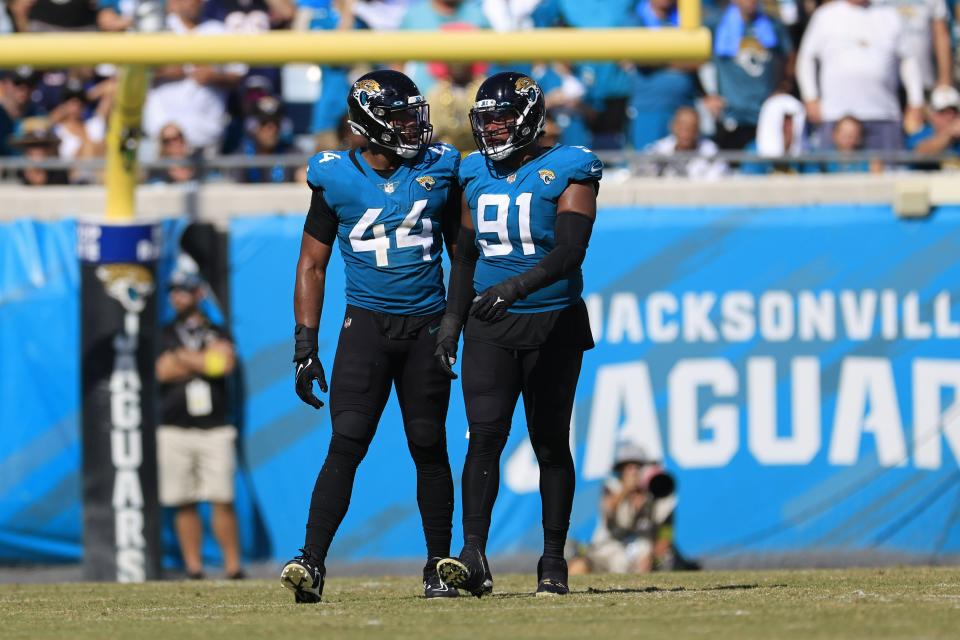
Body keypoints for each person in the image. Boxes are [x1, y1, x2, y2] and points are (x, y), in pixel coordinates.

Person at [279, 69, 462, 603]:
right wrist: (304, 346)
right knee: (347, 440)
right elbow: (312, 265)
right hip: (367, 327)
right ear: (367, 124)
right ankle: (310, 562)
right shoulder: (335, 176)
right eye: (400, 116)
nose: (412, 125)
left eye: (413, 113)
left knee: (429, 443)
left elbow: (462, 253)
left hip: (426, 324)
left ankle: (438, 565)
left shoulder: (439, 169)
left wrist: (454, 321)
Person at [434, 71, 601, 597]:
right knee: (483, 437)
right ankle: (473, 554)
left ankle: (553, 560)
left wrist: (517, 286)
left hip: (552, 320)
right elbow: (463, 258)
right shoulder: (472, 171)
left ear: (530, 117)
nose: (493, 129)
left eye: (503, 118)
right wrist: (451, 322)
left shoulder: (570, 166)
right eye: (485, 120)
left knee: (550, 442)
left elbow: (571, 250)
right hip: (490, 322)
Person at [155, 269, 243, 580]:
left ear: (199, 294)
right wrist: (203, 360)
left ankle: (233, 566)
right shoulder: (163, 333)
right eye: (174, 290)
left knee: (222, 497)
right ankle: (194, 567)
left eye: (184, 290)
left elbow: (224, 365)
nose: (177, 296)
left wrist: (182, 358)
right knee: (184, 500)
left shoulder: (218, 331)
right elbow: (161, 372)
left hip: (214, 428)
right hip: (174, 428)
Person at [796, 0, 924, 151]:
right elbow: (806, 58)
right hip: (835, 115)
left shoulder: (890, 15)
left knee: (889, 173)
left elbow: (909, 60)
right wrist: (810, 97)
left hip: (884, 115)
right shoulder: (825, 15)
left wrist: (916, 102)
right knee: (833, 172)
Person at [570, 444, 695, 575]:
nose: (634, 471)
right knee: (580, 566)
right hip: (608, 548)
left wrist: (653, 558)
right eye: (628, 467)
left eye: (638, 466)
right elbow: (608, 509)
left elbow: (665, 534)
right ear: (620, 471)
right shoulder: (612, 487)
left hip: (643, 554)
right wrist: (626, 489)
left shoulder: (657, 496)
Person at [704, 0, 794, 151]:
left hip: (764, 113)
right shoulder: (715, 23)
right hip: (731, 114)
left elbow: (790, 56)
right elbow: (697, 60)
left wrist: (783, 86)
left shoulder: (773, 24)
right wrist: (706, 95)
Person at [644, 106, 730, 179]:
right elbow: (643, 175)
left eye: (691, 127)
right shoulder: (658, 149)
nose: (686, 132)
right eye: (682, 126)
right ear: (673, 127)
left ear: (698, 130)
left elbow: (718, 180)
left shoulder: (711, 152)